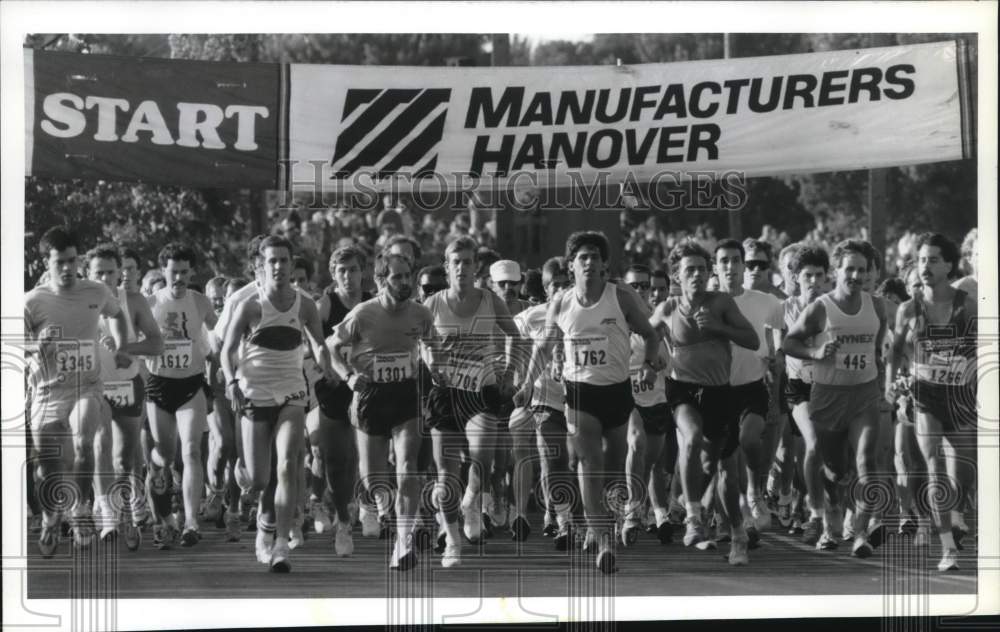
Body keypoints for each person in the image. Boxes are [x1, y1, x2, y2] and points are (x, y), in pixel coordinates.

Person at [516, 231, 662, 574]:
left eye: (596, 257)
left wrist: (650, 368)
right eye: (583, 257)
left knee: (613, 472)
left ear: (605, 264)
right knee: (587, 462)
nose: (590, 262)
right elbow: (545, 347)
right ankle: (604, 539)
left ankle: (601, 524)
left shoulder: (621, 296)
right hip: (580, 394)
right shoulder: (562, 303)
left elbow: (651, 336)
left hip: (617, 391)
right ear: (571, 266)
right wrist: (525, 385)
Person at [221, 235, 333, 572]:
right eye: (272, 261)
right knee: (259, 479)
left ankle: (281, 543)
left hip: (292, 392)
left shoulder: (306, 304)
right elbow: (227, 350)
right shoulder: (250, 306)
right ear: (261, 265)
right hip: (254, 391)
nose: (279, 267)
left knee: (287, 465)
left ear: (291, 263)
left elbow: (318, 343)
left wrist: (327, 366)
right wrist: (231, 383)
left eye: (284, 260)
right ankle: (255, 503)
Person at [650, 239, 759, 565]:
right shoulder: (669, 307)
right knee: (691, 436)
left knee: (722, 472)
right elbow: (648, 331)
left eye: (701, 269)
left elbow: (752, 340)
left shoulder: (721, 302)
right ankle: (694, 517)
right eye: (689, 270)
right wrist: (646, 361)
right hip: (682, 389)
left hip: (719, 393)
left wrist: (719, 328)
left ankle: (737, 533)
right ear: (677, 276)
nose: (696, 275)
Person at [26, 227, 130, 556]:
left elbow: (116, 314)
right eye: (60, 262)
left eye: (73, 261)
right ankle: (50, 517)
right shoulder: (32, 301)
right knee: (48, 468)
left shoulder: (96, 291)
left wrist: (121, 342)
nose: (68, 268)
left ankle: (82, 512)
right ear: (47, 262)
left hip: (87, 386)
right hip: (47, 392)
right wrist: (34, 346)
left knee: (85, 441)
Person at [783, 239, 889, 559]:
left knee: (865, 460)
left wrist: (879, 367)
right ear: (836, 271)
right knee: (835, 470)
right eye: (849, 269)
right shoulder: (821, 308)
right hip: (827, 396)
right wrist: (815, 352)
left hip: (864, 394)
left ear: (869, 273)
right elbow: (789, 343)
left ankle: (859, 532)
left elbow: (878, 344)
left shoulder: (878, 306)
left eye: (862, 270)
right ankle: (830, 520)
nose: (855, 276)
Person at [329, 252, 434, 570]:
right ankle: (380, 503)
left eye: (408, 275)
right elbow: (332, 347)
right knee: (373, 476)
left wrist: (434, 369)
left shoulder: (420, 314)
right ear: (380, 281)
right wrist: (348, 377)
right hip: (371, 395)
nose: (405, 282)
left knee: (407, 464)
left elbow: (431, 345)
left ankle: (403, 541)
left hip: (406, 394)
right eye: (397, 277)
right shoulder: (363, 313)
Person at [423, 237, 521, 568]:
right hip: (446, 394)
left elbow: (516, 336)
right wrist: (431, 363)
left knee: (481, 460)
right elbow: (420, 339)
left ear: (475, 267)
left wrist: (508, 373)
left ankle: (471, 501)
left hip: (481, 390)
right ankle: (452, 540)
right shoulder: (433, 305)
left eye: (468, 262)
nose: (462, 267)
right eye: (456, 262)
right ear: (446, 266)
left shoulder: (490, 300)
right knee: (446, 474)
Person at [890, 233, 977, 571]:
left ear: (950, 266)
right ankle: (947, 550)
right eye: (922, 260)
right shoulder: (907, 309)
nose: (925, 266)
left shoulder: (966, 304)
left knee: (964, 472)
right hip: (924, 396)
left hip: (960, 398)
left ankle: (956, 515)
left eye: (933, 260)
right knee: (933, 466)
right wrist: (894, 382)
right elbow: (896, 351)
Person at [86, 245, 164, 549]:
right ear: (87, 274)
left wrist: (125, 349)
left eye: (110, 271)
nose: (104, 277)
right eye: (98, 272)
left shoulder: (133, 300)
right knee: (99, 442)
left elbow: (157, 345)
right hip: (94, 386)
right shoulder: (79, 302)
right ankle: (108, 514)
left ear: (120, 273)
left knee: (125, 459)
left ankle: (124, 508)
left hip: (128, 384)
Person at [144, 243, 218, 549]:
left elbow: (219, 332)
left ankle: (190, 522)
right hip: (159, 386)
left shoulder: (200, 302)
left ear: (191, 272)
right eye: (173, 272)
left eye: (184, 272)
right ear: (164, 271)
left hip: (190, 385)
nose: (179, 278)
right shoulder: (149, 303)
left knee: (191, 452)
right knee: (165, 453)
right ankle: (156, 463)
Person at [313, 246, 372, 552]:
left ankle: (368, 501)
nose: (348, 276)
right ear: (333, 276)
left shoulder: (373, 304)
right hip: (334, 389)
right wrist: (324, 361)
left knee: (366, 457)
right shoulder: (326, 304)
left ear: (363, 272)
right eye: (341, 271)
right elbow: (311, 338)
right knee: (337, 459)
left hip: (369, 389)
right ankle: (344, 524)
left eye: (353, 270)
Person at [776, 245, 836, 547]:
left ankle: (824, 510)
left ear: (828, 278)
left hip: (831, 388)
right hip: (798, 386)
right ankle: (815, 515)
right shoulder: (784, 308)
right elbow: (781, 348)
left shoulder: (833, 307)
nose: (813, 281)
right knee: (811, 445)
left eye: (819, 276)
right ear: (795, 278)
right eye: (807, 276)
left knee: (832, 459)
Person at [620, 265, 675, 546]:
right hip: (626, 398)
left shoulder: (662, 320)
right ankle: (632, 511)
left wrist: (660, 363)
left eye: (645, 285)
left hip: (657, 399)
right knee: (636, 442)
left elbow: (675, 360)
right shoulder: (616, 317)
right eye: (636, 286)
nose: (641, 291)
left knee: (651, 463)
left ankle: (641, 506)